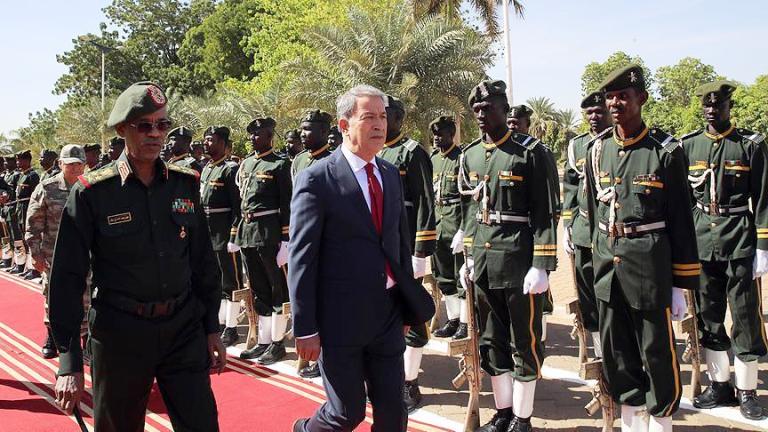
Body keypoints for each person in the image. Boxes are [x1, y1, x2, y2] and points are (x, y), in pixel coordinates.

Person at [49, 81, 224, 431]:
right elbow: (67, 277)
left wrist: (211, 328)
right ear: (122, 130)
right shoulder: (92, 193)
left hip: (182, 328)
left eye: (162, 125)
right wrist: (68, 361)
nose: (155, 134)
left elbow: (203, 261)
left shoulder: (184, 183)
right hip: (120, 335)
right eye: (144, 126)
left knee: (202, 424)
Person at [290, 84, 422, 432]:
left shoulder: (390, 174)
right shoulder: (317, 179)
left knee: (393, 412)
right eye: (368, 117)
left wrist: (406, 305)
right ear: (344, 125)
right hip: (339, 320)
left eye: (382, 117)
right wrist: (305, 327)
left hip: (388, 314)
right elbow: (303, 258)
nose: (380, 124)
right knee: (345, 414)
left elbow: (398, 245)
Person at [584, 65, 700, 432]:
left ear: (641, 99)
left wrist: (681, 283)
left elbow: (682, 220)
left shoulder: (665, 152)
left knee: (657, 355)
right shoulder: (597, 150)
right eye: (610, 97)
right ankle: (633, 424)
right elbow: (593, 215)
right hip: (609, 272)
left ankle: (662, 423)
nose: (615, 103)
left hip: (649, 271)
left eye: (623, 96)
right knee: (619, 357)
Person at [459, 80, 557, 432]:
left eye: (489, 108)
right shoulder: (470, 154)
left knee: (524, 341)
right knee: (490, 340)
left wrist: (542, 264)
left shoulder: (530, 152)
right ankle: (502, 413)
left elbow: (547, 213)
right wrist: (468, 256)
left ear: (504, 108)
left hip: (519, 261)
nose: (482, 115)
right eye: (477, 110)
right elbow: (471, 211)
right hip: (485, 263)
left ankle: (522, 418)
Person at [682, 81, 768, 420]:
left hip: (739, 240)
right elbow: (684, 201)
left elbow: (763, 199)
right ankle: (720, 385)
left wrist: (763, 245)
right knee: (709, 315)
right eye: (706, 103)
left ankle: (748, 390)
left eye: (718, 104)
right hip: (703, 242)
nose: (711, 109)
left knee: (746, 315)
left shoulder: (750, 145)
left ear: (730, 107)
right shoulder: (689, 145)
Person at [379, 94, 436, 412]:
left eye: (386, 115)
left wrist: (421, 251)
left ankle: (410, 382)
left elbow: (427, 202)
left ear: (399, 118)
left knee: (412, 315)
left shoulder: (412, 152)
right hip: (382, 250)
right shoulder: (375, 153)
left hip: (406, 249)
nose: (381, 121)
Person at [235, 117, 293, 364]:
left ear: (270, 136)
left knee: (276, 287)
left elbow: (287, 204)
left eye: (258, 134)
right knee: (258, 288)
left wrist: (286, 240)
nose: (253, 138)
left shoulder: (279, 164)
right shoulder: (247, 163)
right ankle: (264, 340)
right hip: (248, 231)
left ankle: (278, 342)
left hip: (269, 232)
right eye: (251, 134)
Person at [561, 91, 613, 359]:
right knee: (588, 295)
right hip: (583, 232)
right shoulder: (577, 146)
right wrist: (568, 225)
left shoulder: (617, 143)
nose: (594, 117)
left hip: (610, 232)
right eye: (589, 113)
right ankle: (600, 351)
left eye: (599, 112)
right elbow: (570, 187)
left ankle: (621, 348)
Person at [25, 145, 87, 359]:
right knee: (53, 296)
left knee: (87, 297)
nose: (75, 168)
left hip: (85, 255)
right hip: (54, 255)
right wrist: (35, 253)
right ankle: (52, 336)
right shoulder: (47, 188)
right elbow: (33, 225)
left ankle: (85, 340)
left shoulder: (90, 187)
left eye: (79, 164)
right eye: (70, 164)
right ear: (61, 164)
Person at [506, 104, 561, 348]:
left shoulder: (539, 152)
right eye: (509, 122)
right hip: (511, 237)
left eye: (516, 123)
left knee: (538, 290)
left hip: (533, 232)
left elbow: (550, 199)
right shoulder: (505, 152)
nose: (512, 126)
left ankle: (542, 332)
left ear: (527, 125)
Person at [200, 125, 244, 346]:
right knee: (213, 281)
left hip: (224, 233)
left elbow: (238, 207)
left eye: (211, 140)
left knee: (230, 282)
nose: (207, 143)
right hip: (208, 233)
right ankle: (218, 321)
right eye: (206, 140)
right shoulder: (207, 168)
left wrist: (234, 235)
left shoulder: (230, 169)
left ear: (224, 144)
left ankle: (232, 326)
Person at [428, 116, 467, 340]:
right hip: (438, 223)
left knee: (460, 275)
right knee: (443, 276)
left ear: (451, 134)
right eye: (434, 134)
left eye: (440, 133)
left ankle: (465, 322)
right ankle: (452, 320)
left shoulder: (461, 158)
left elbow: (466, 198)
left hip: (455, 222)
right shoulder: (433, 159)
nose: (436, 138)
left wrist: (464, 228)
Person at [13, 150, 40, 278]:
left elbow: (35, 197)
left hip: (27, 207)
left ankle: (34, 269)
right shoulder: (21, 175)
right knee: (23, 238)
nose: (18, 162)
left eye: (21, 160)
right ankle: (28, 266)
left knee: (30, 238)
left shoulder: (32, 175)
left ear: (28, 161)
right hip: (20, 208)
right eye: (17, 160)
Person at [291, 110, 334, 181]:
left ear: (323, 131)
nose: (302, 134)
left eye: (307, 129)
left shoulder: (334, 161)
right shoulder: (299, 159)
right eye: (301, 130)